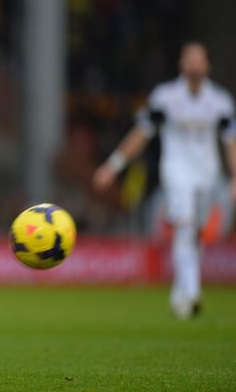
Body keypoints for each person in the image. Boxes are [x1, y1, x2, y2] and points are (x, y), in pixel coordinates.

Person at [92, 41, 236, 320]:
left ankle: (180, 291)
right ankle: (192, 291)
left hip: (208, 173)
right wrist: (113, 166)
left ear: (207, 65)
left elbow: (231, 141)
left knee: (196, 232)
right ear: (181, 64)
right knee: (185, 225)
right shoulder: (165, 98)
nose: (194, 64)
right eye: (190, 59)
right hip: (176, 169)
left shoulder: (220, 101)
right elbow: (141, 134)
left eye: (199, 59)